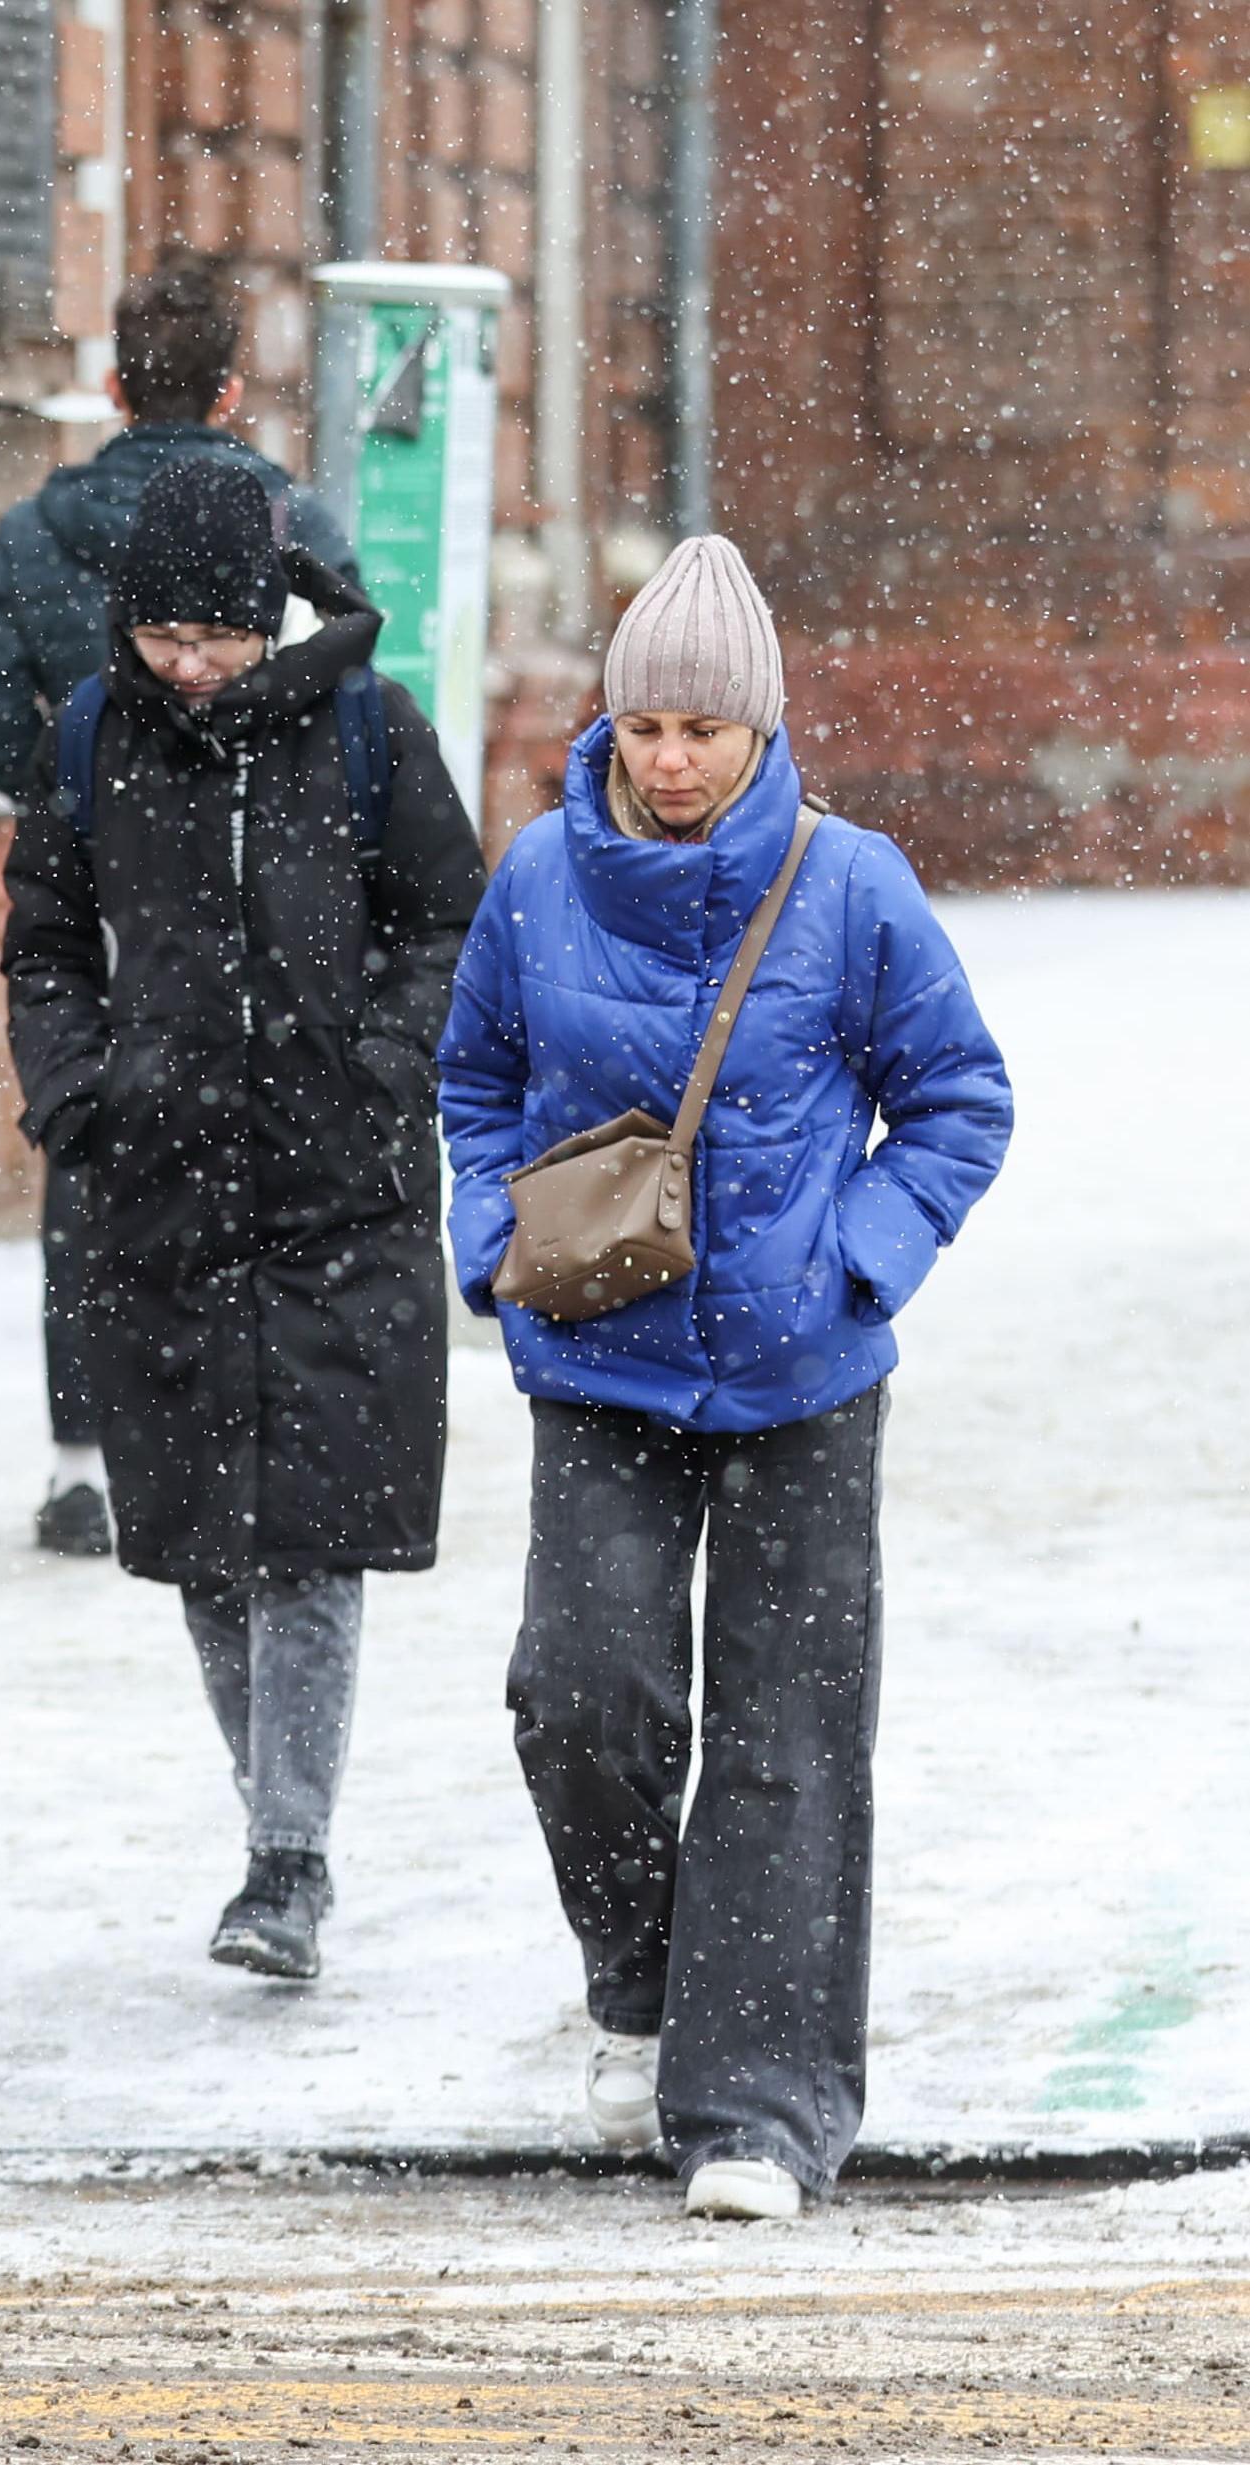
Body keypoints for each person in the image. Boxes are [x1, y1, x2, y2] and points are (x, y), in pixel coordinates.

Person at [439, 536, 1010, 2222]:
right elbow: (476, 1079)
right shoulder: (538, 876)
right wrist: (492, 1239)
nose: (669, 761)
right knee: (581, 1696)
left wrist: (859, 1257)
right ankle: (643, 1987)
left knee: (789, 1735)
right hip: (597, 1358)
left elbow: (959, 1101)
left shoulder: (854, 887)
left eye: (702, 730)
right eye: (643, 728)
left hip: (806, 1370)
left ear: (761, 730)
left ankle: (759, 2109)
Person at [0, 456, 484, 1985]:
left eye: (217, 634)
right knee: (204, 1542)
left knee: (311, 1542)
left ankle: (288, 1857)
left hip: (340, 1189)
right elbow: (45, 943)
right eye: (163, 638)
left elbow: (447, 918)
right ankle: (266, 1824)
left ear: (269, 613)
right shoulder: (88, 737)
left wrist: (384, 1068)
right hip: (160, 1190)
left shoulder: (365, 726)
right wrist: (81, 1093)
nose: (192, 665)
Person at [0, 256, 363, 1560]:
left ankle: (86, 1457)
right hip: (262, 882)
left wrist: (76, 809)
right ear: (234, 387)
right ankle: (249, 1417)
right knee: (267, 1141)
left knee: (96, 1151)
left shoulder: (33, 531)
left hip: (101, 898)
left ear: (120, 385)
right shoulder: (290, 518)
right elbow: (349, 697)